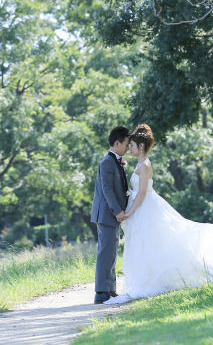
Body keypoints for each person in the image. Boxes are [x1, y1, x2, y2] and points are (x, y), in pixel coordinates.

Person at [105, 124, 213, 304]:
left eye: (133, 145)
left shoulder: (145, 165)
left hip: (145, 207)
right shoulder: (140, 164)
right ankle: (146, 279)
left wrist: (129, 211)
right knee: (146, 244)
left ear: (141, 146)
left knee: (153, 242)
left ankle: (153, 280)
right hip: (142, 208)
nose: (130, 148)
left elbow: (142, 192)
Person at [90, 126, 131, 304]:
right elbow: (107, 189)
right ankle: (100, 292)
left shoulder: (117, 161)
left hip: (111, 215)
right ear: (117, 143)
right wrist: (118, 211)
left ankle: (110, 288)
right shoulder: (107, 161)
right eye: (127, 144)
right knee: (106, 252)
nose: (129, 148)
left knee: (112, 251)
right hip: (107, 214)